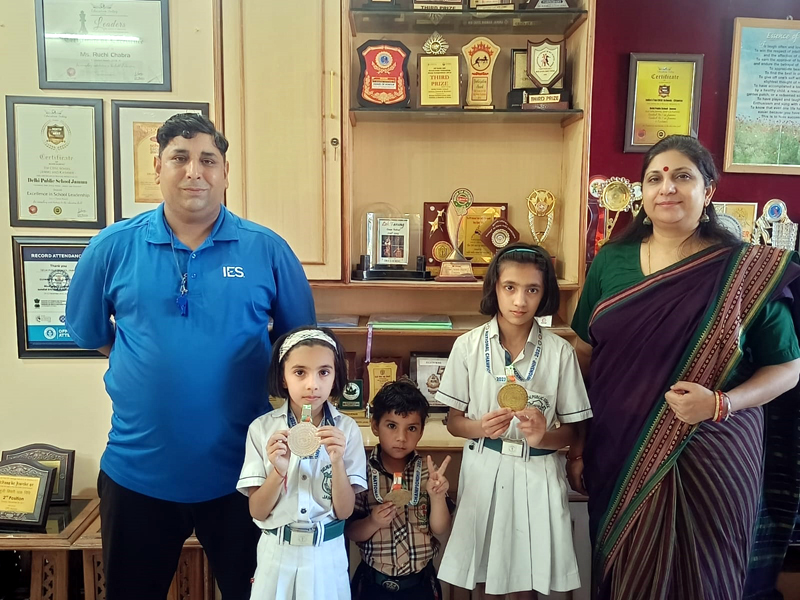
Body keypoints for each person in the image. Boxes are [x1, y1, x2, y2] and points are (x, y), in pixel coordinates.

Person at [65, 113, 315, 599]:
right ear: (157, 167)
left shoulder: (267, 250)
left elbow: (298, 348)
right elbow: (93, 333)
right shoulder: (112, 247)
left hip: (245, 475)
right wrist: (151, 365)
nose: (194, 171)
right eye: (179, 158)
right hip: (138, 472)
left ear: (226, 172)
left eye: (208, 160)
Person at [570, 135, 800, 600]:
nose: (667, 188)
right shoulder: (611, 261)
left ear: (708, 190)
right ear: (642, 192)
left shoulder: (744, 272)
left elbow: (788, 368)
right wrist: (577, 446)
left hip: (713, 448)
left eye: (682, 176)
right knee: (625, 572)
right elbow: (584, 355)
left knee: (707, 576)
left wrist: (720, 403)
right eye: (655, 178)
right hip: (619, 445)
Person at [436, 243, 593, 599]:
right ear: (495, 287)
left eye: (532, 290)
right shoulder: (467, 346)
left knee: (528, 581)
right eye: (510, 287)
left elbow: (573, 430)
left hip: (538, 473)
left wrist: (544, 436)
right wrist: (478, 427)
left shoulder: (560, 352)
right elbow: (454, 422)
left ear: (544, 294)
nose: (520, 301)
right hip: (484, 467)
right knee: (481, 578)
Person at [238, 327, 367, 599]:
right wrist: (278, 471)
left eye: (324, 372)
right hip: (276, 553)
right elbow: (257, 511)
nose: (312, 384)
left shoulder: (347, 430)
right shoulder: (262, 429)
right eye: (300, 372)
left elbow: (344, 511)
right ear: (283, 378)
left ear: (335, 375)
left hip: (327, 555)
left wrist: (337, 462)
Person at [347, 379, 453, 600]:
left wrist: (437, 498)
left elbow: (441, 529)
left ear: (421, 431)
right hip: (373, 584)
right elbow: (350, 531)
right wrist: (373, 522)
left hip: (420, 584)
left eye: (411, 428)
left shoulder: (428, 473)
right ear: (375, 426)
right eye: (391, 426)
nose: (401, 438)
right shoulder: (361, 472)